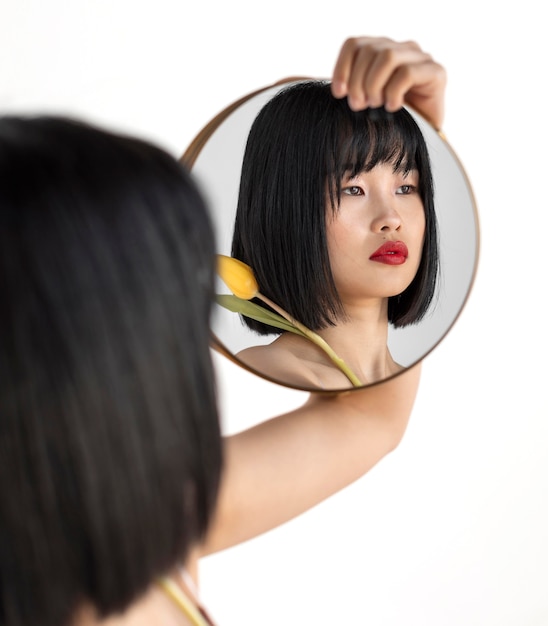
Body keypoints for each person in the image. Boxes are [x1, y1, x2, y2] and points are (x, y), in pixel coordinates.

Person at [0, 36, 444, 626]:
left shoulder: (132, 529)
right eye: (172, 305)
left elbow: (367, 418)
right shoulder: (146, 536)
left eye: (408, 185)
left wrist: (423, 133)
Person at [231, 38, 445, 389]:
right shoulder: (265, 374)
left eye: (406, 187)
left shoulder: (419, 384)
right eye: (353, 189)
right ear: (286, 207)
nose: (391, 218)